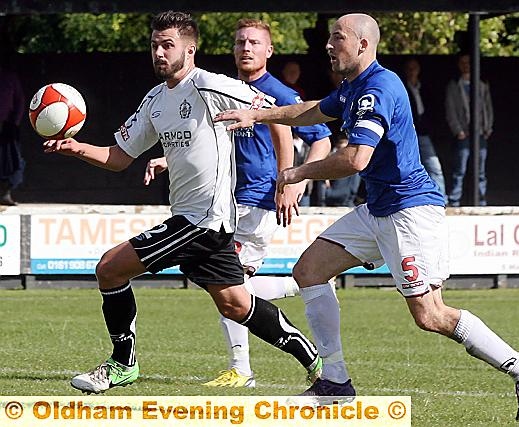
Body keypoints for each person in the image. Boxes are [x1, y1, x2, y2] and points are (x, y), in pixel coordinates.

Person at [215, 13, 519, 420]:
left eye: (337, 37)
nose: (328, 44)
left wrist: (298, 172)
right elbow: (314, 112)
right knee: (310, 270)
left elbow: (356, 159)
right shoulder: (354, 86)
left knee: (430, 315)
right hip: (378, 209)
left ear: (362, 45)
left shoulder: (379, 88)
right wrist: (260, 115)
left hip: (409, 213)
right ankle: (335, 381)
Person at [43, 11, 322, 394]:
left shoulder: (211, 85)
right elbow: (120, 156)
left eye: (167, 45)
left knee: (109, 268)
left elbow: (275, 114)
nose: (158, 52)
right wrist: (76, 149)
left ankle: (123, 364)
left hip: (202, 220)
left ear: (190, 49)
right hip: (200, 220)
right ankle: (313, 358)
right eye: (154, 44)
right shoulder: (155, 99)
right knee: (236, 305)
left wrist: (288, 176)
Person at [144, 18, 331, 388]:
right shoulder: (223, 89)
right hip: (225, 200)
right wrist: (170, 159)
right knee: (228, 287)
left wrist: (293, 179)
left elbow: (318, 136)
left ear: (269, 51)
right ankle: (302, 284)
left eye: (254, 43)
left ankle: (242, 369)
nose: (246, 48)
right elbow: (209, 140)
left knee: (232, 288)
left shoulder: (277, 92)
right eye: (240, 42)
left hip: (257, 198)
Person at [445, 52, 494, 207]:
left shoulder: (482, 85)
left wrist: (488, 127)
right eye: (463, 63)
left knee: (480, 171)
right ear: (459, 65)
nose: (466, 66)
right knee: (460, 169)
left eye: (468, 62)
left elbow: (488, 107)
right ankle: (455, 200)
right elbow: (450, 109)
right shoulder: (454, 86)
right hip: (463, 133)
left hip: (480, 132)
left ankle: (481, 201)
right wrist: (457, 130)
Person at [403, 57, 447, 200]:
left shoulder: (425, 88)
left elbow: (432, 109)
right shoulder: (402, 88)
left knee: (434, 167)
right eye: (409, 69)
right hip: (407, 134)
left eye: (414, 69)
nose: (412, 72)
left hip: (423, 132)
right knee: (406, 168)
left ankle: (441, 199)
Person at [0, 50, 25, 206]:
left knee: (11, 161)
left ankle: (5, 193)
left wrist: (14, 122)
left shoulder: (9, 78)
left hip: (7, 126)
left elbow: (20, 101)